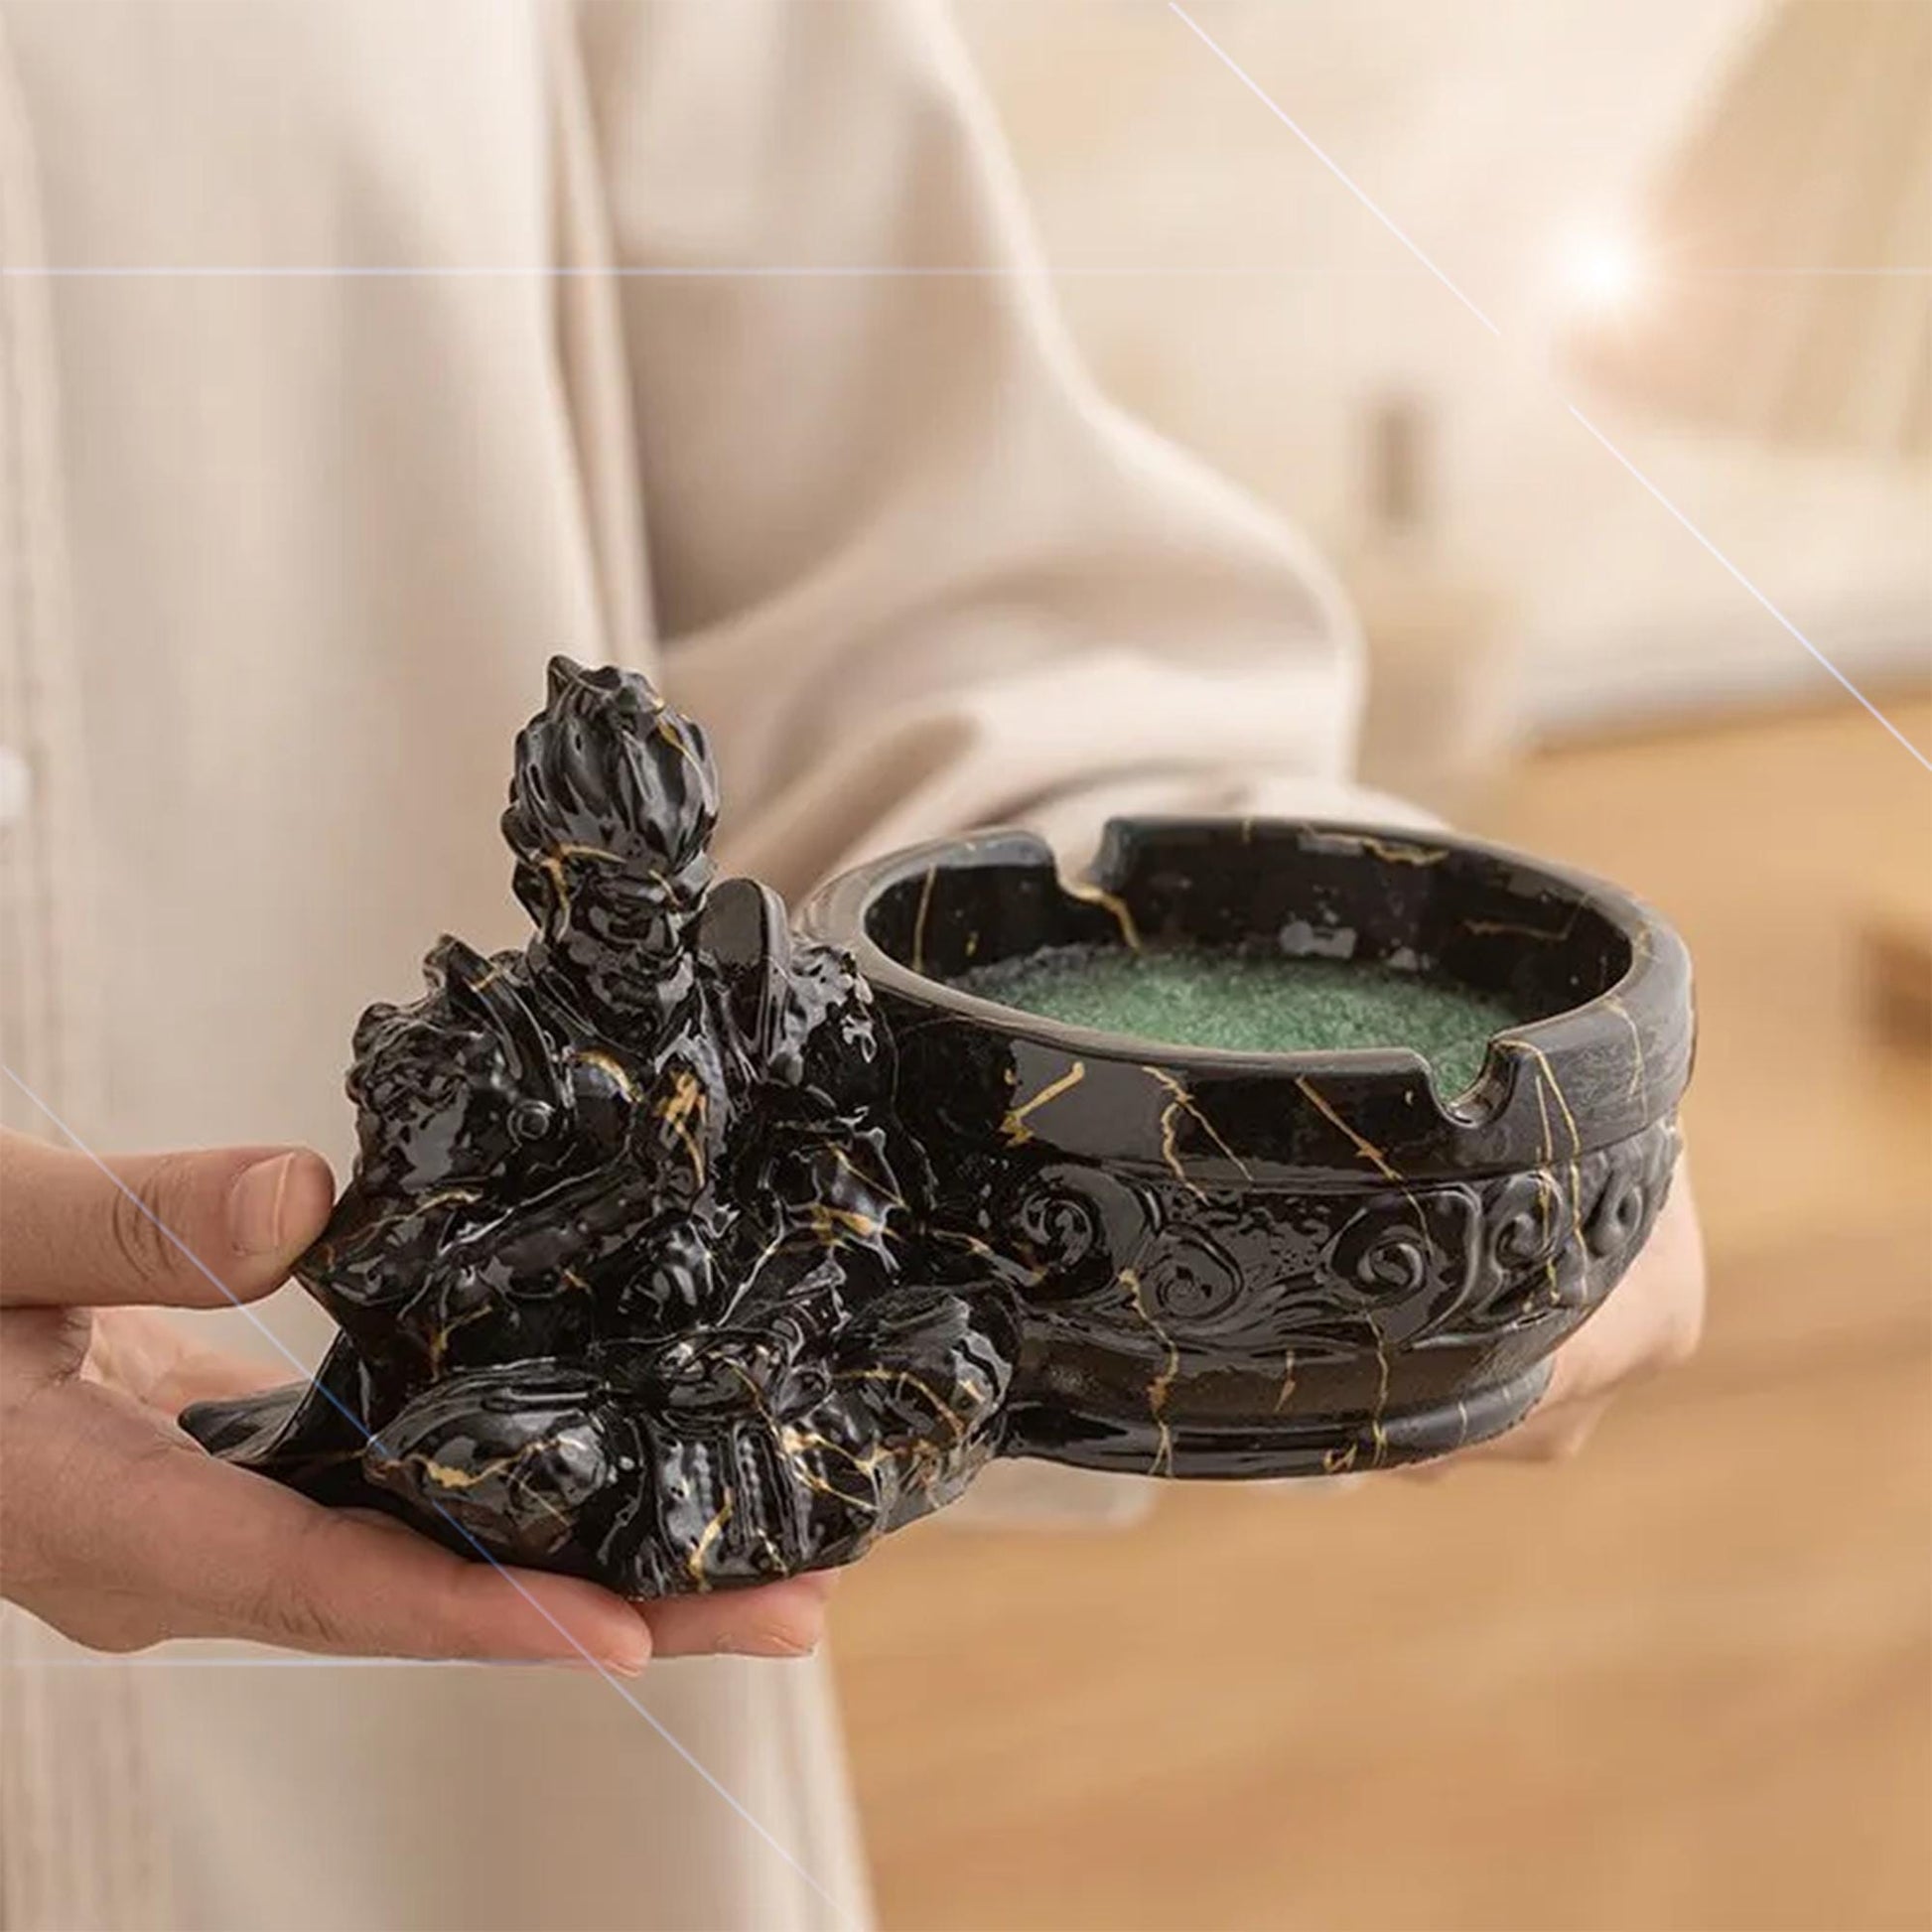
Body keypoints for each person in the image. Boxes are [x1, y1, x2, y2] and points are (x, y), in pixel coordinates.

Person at [0, 2, 1707, 1927]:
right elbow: (416, 1245)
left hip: (535, 1703)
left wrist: (1330, 1107)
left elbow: (933, 581)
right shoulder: (487, 1036)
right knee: (493, 1438)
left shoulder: (768, 1001)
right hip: (523, 1389)